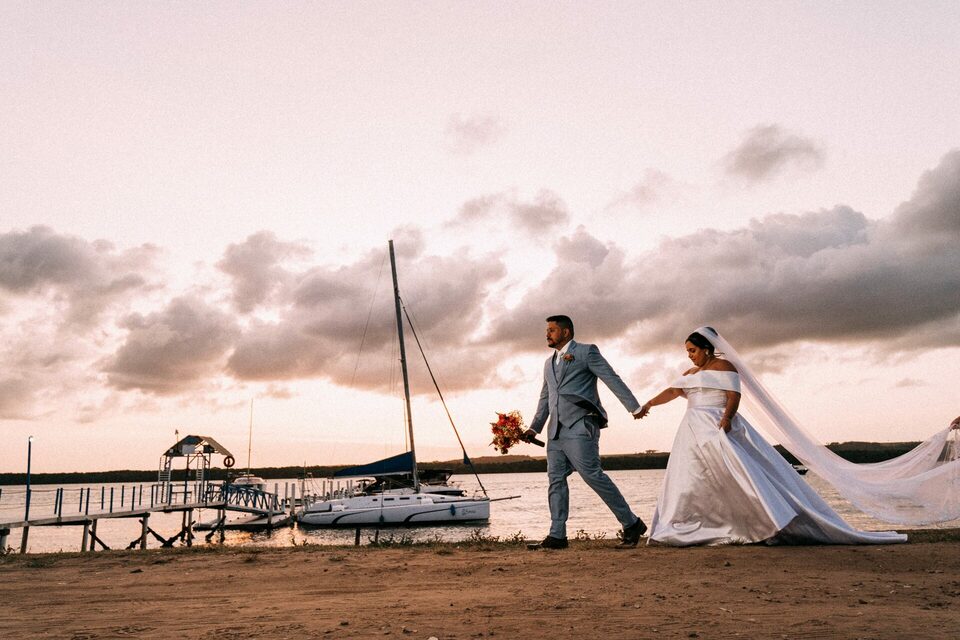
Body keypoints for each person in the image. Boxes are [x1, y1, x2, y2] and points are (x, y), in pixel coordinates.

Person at [636, 328, 907, 546]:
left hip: (717, 425)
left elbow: (734, 395)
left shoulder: (725, 367)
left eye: (693, 351)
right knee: (691, 477)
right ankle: (698, 524)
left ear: (707, 348)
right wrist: (648, 404)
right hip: (691, 430)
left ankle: (766, 523)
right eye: (687, 352)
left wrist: (727, 418)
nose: (690, 356)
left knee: (739, 473)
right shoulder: (690, 374)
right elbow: (673, 392)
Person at [524, 315, 647, 549]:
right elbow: (545, 398)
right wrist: (534, 428)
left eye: (551, 330)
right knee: (555, 481)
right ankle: (557, 535)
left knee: (593, 476)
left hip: (581, 425)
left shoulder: (587, 352)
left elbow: (612, 378)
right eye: (546, 330)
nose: (547, 334)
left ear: (566, 332)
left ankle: (631, 524)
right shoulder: (547, 364)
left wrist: (634, 407)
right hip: (555, 434)